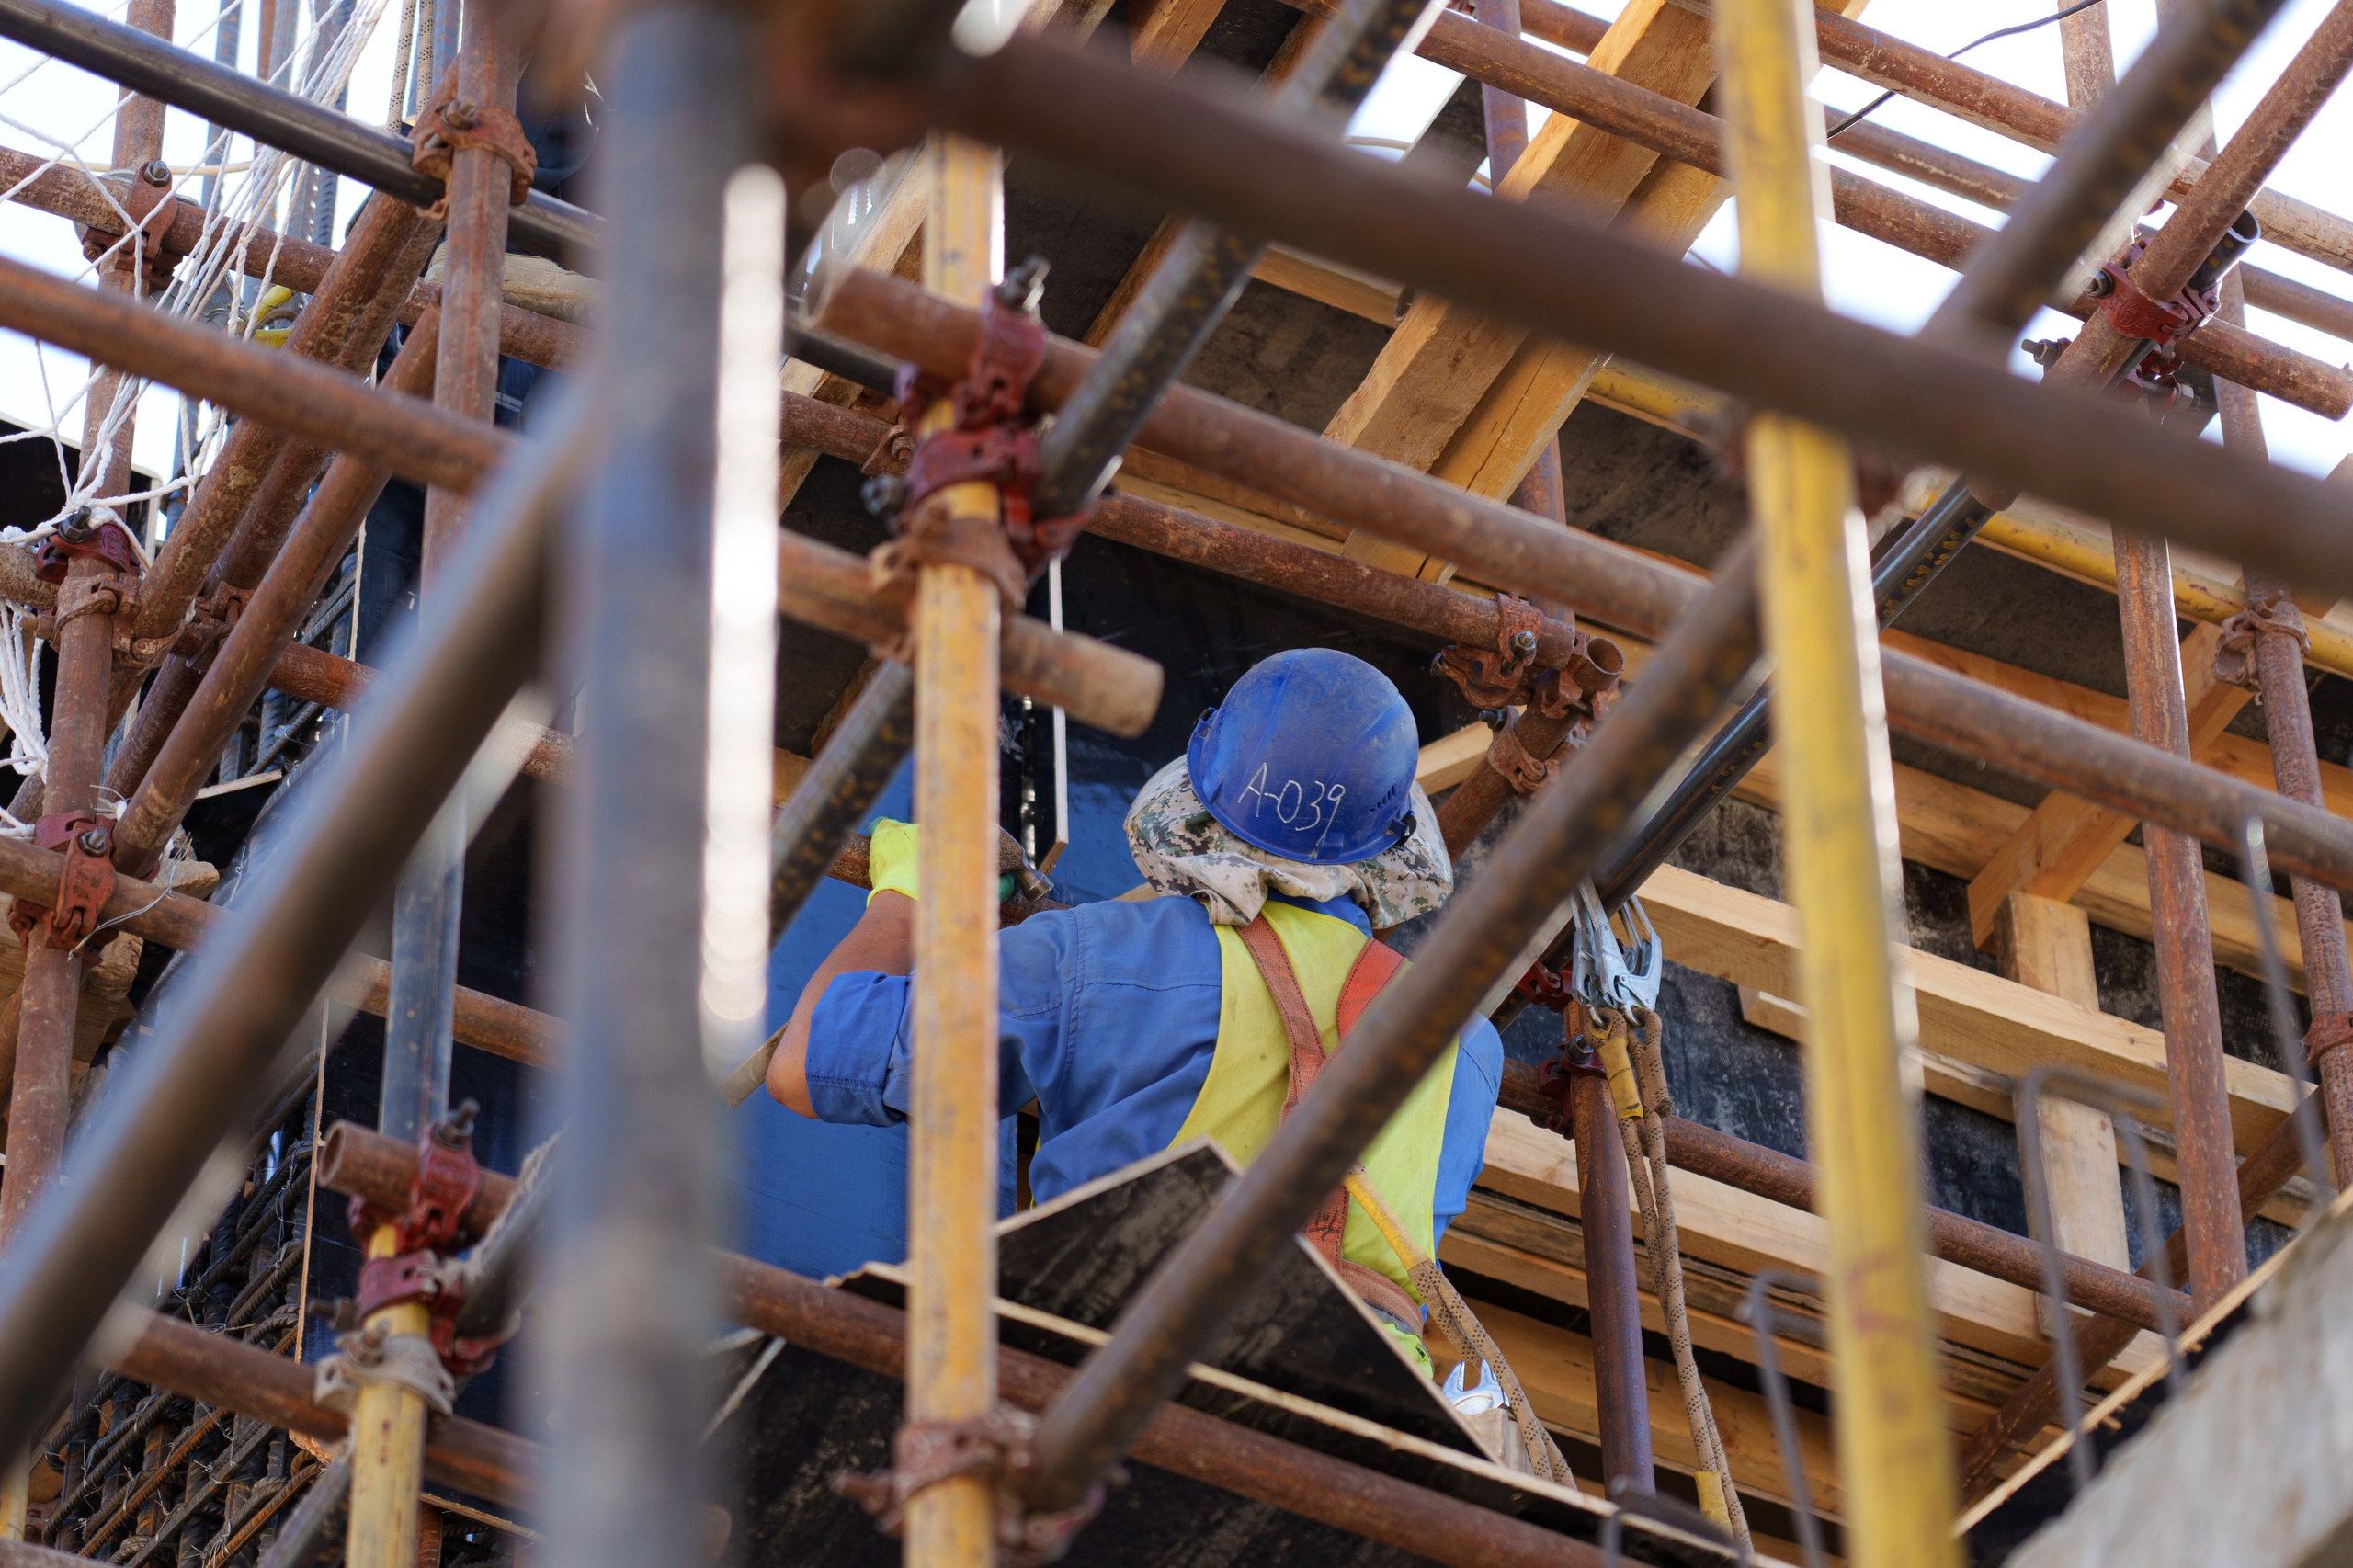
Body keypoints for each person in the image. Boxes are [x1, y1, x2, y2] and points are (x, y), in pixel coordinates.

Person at [767, 648, 1503, 1370]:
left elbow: (807, 1065)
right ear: (1396, 840)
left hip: (1102, 1374)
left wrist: (909, 894)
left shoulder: (1097, 956)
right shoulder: (1469, 1050)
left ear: (1199, 798)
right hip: (1365, 1421)